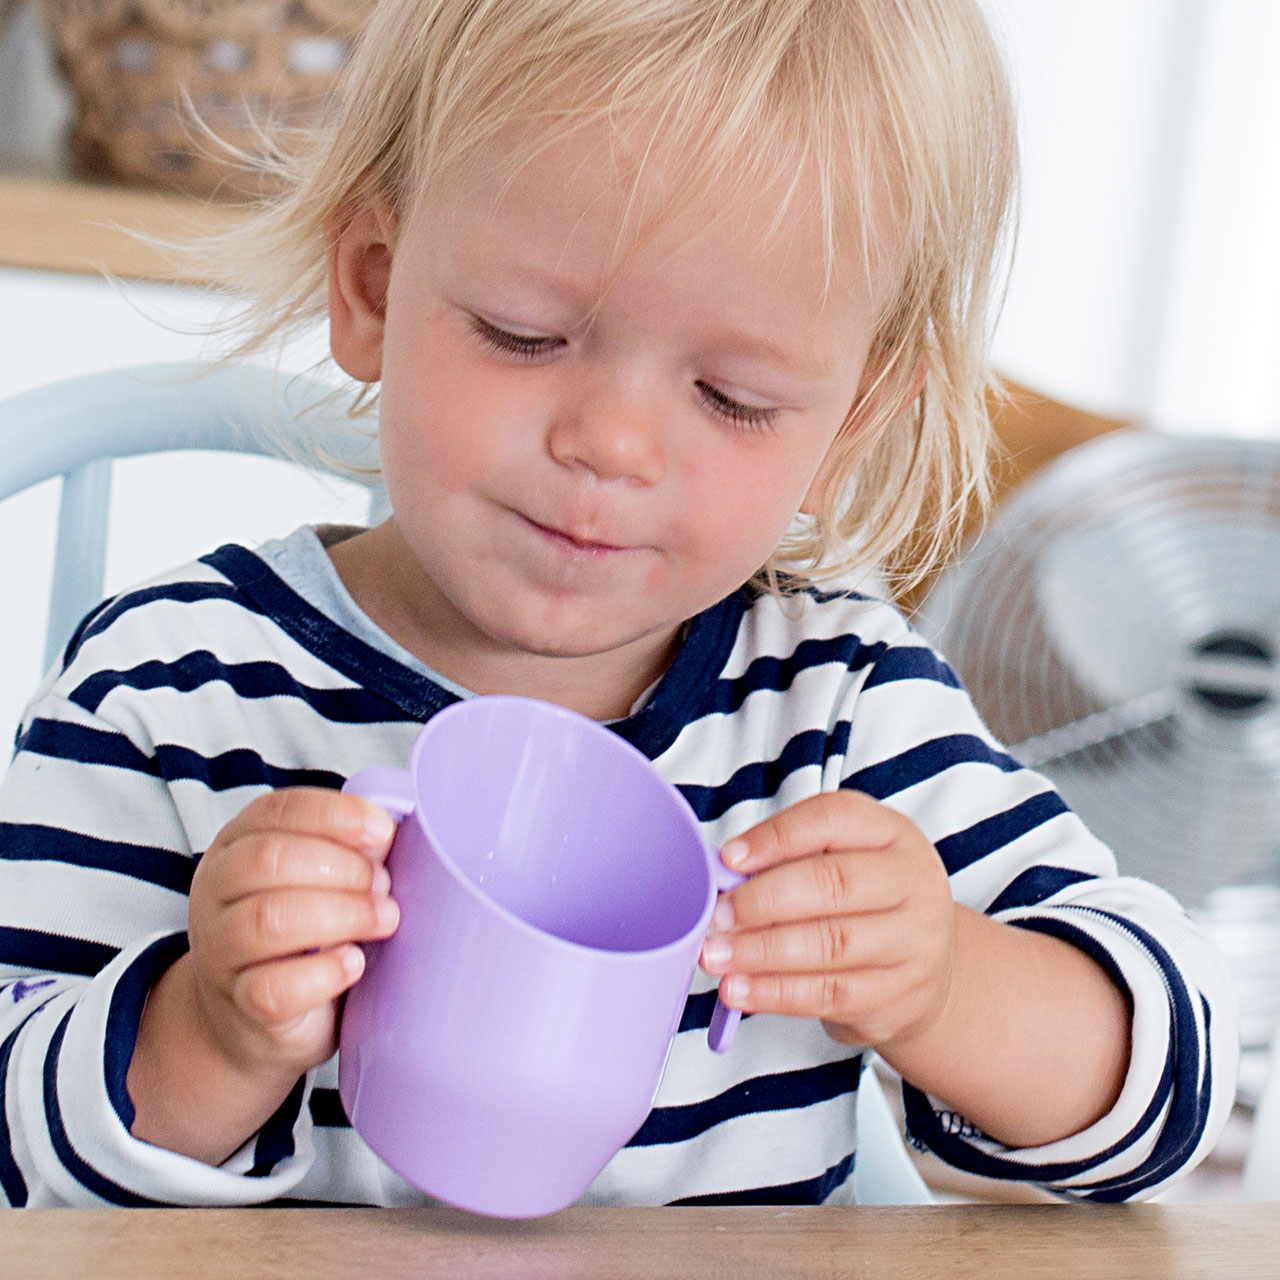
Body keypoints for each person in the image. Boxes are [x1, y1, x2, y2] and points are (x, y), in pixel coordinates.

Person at [0, 0, 1236, 1208]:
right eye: (525, 334)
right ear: (373, 285)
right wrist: (206, 1033)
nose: (611, 443)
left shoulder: (837, 708)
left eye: (733, 396)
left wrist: (945, 983)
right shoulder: (177, 686)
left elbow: (1172, 1091)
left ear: (849, 421)